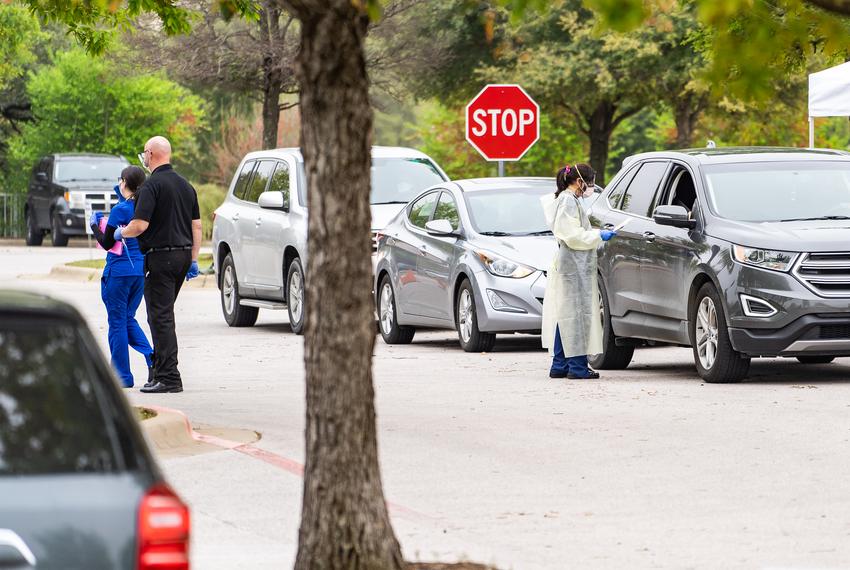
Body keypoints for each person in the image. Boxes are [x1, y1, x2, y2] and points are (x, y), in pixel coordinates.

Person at [115, 136, 202, 393]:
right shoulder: (186, 186)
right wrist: (194, 259)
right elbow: (196, 226)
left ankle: (168, 377)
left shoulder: (151, 187)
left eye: (144, 153)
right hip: (182, 256)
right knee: (163, 315)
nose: (143, 157)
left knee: (160, 318)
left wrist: (121, 233)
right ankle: (161, 373)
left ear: (151, 154)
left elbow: (140, 225)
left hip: (160, 258)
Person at [540, 163, 616, 380]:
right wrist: (598, 235)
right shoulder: (568, 200)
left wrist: (596, 232)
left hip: (573, 264)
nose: (590, 187)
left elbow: (573, 230)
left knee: (567, 314)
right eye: (589, 181)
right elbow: (572, 235)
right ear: (578, 180)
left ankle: (560, 365)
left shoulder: (568, 200)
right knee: (578, 315)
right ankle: (577, 367)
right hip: (574, 265)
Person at [89, 166, 154, 388]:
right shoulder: (144, 208)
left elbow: (107, 242)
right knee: (128, 319)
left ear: (124, 182)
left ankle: (122, 376)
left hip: (117, 273)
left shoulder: (119, 210)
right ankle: (152, 357)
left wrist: (93, 227)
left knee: (117, 323)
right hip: (138, 273)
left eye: (120, 181)